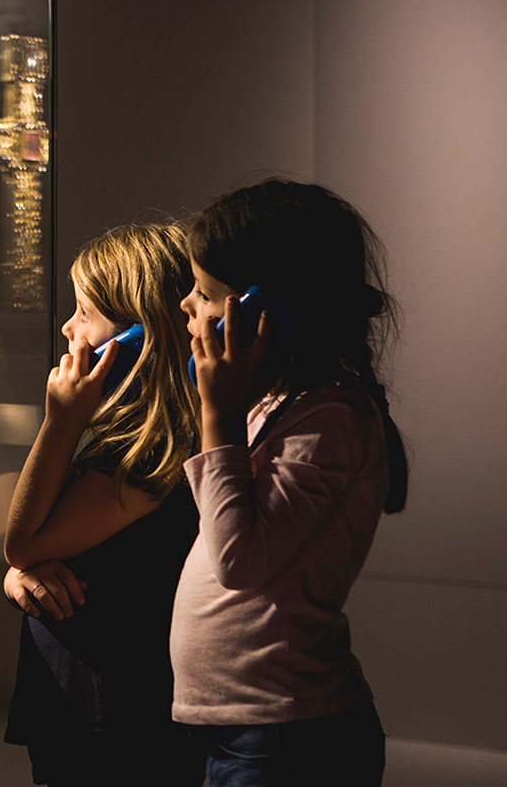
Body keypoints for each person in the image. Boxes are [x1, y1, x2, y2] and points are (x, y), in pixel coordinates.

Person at [172, 179, 410, 786]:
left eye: (203, 292)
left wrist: (218, 414)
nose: (185, 307)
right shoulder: (276, 405)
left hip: (288, 739)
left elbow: (239, 560)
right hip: (249, 731)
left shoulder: (331, 419)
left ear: (264, 309)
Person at [1, 223, 205, 786]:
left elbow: (23, 540)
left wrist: (60, 420)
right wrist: (20, 574)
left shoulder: (151, 453)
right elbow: (36, 541)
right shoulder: (136, 438)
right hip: (95, 712)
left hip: (112, 723)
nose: (68, 328)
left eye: (85, 313)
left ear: (138, 337)